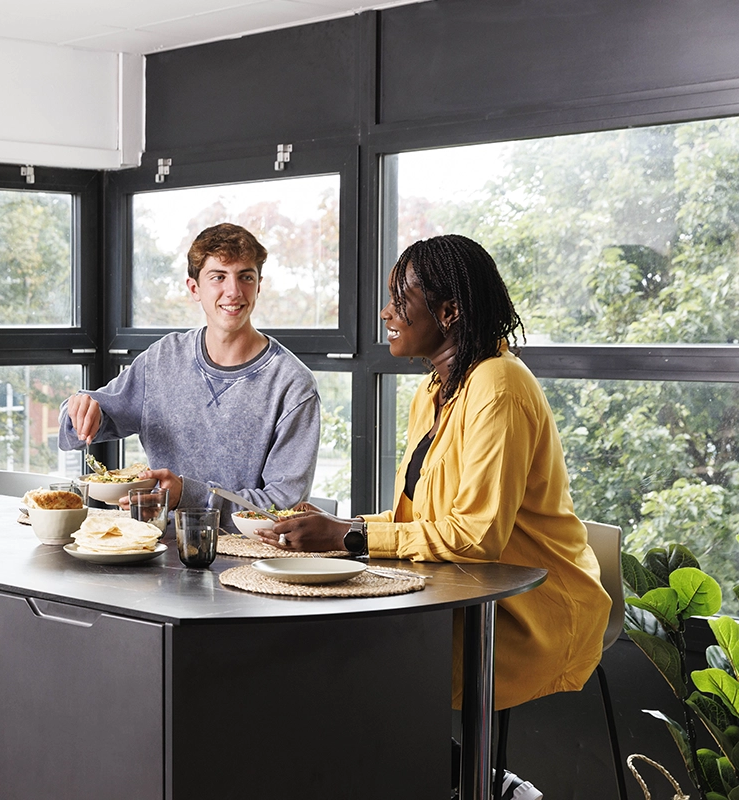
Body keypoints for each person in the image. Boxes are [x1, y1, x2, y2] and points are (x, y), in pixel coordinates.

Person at [260, 233, 610, 712]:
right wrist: (331, 527)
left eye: (400, 302)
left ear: (449, 312)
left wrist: (350, 536)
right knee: (328, 643)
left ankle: (477, 781)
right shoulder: (434, 389)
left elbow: (478, 536)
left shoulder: (498, 385)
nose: (386, 314)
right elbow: (418, 516)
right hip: (459, 588)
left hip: (526, 608)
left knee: (355, 657)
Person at [60, 222, 320, 521]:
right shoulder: (163, 359)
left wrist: (188, 495)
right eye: (218, 277)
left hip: (249, 557)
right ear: (194, 288)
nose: (233, 291)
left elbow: (281, 506)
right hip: (157, 546)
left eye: (245, 277)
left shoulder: (293, 385)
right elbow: (81, 429)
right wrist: (77, 411)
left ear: (259, 286)